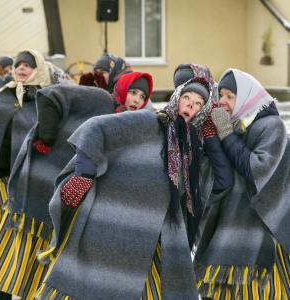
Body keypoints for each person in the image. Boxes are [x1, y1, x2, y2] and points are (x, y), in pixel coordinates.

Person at [35, 69, 215, 299]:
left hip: (155, 235)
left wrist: (218, 129)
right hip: (112, 222)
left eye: (198, 104)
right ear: (176, 98)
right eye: (186, 98)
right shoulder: (149, 120)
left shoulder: (193, 148)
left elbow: (219, 174)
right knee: (91, 284)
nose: (190, 105)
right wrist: (84, 175)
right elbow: (94, 128)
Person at [194, 68, 290, 299]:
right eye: (221, 95)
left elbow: (255, 170)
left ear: (247, 96)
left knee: (262, 292)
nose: (223, 102)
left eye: (230, 96)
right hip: (229, 224)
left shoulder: (272, 126)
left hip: (264, 227)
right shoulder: (234, 125)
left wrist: (226, 134)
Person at [0, 49, 59, 300]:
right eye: (18, 64)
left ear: (38, 70)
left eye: (28, 65)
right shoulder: (0, 94)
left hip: (23, 184)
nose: (21, 68)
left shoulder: (46, 100)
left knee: (11, 244)